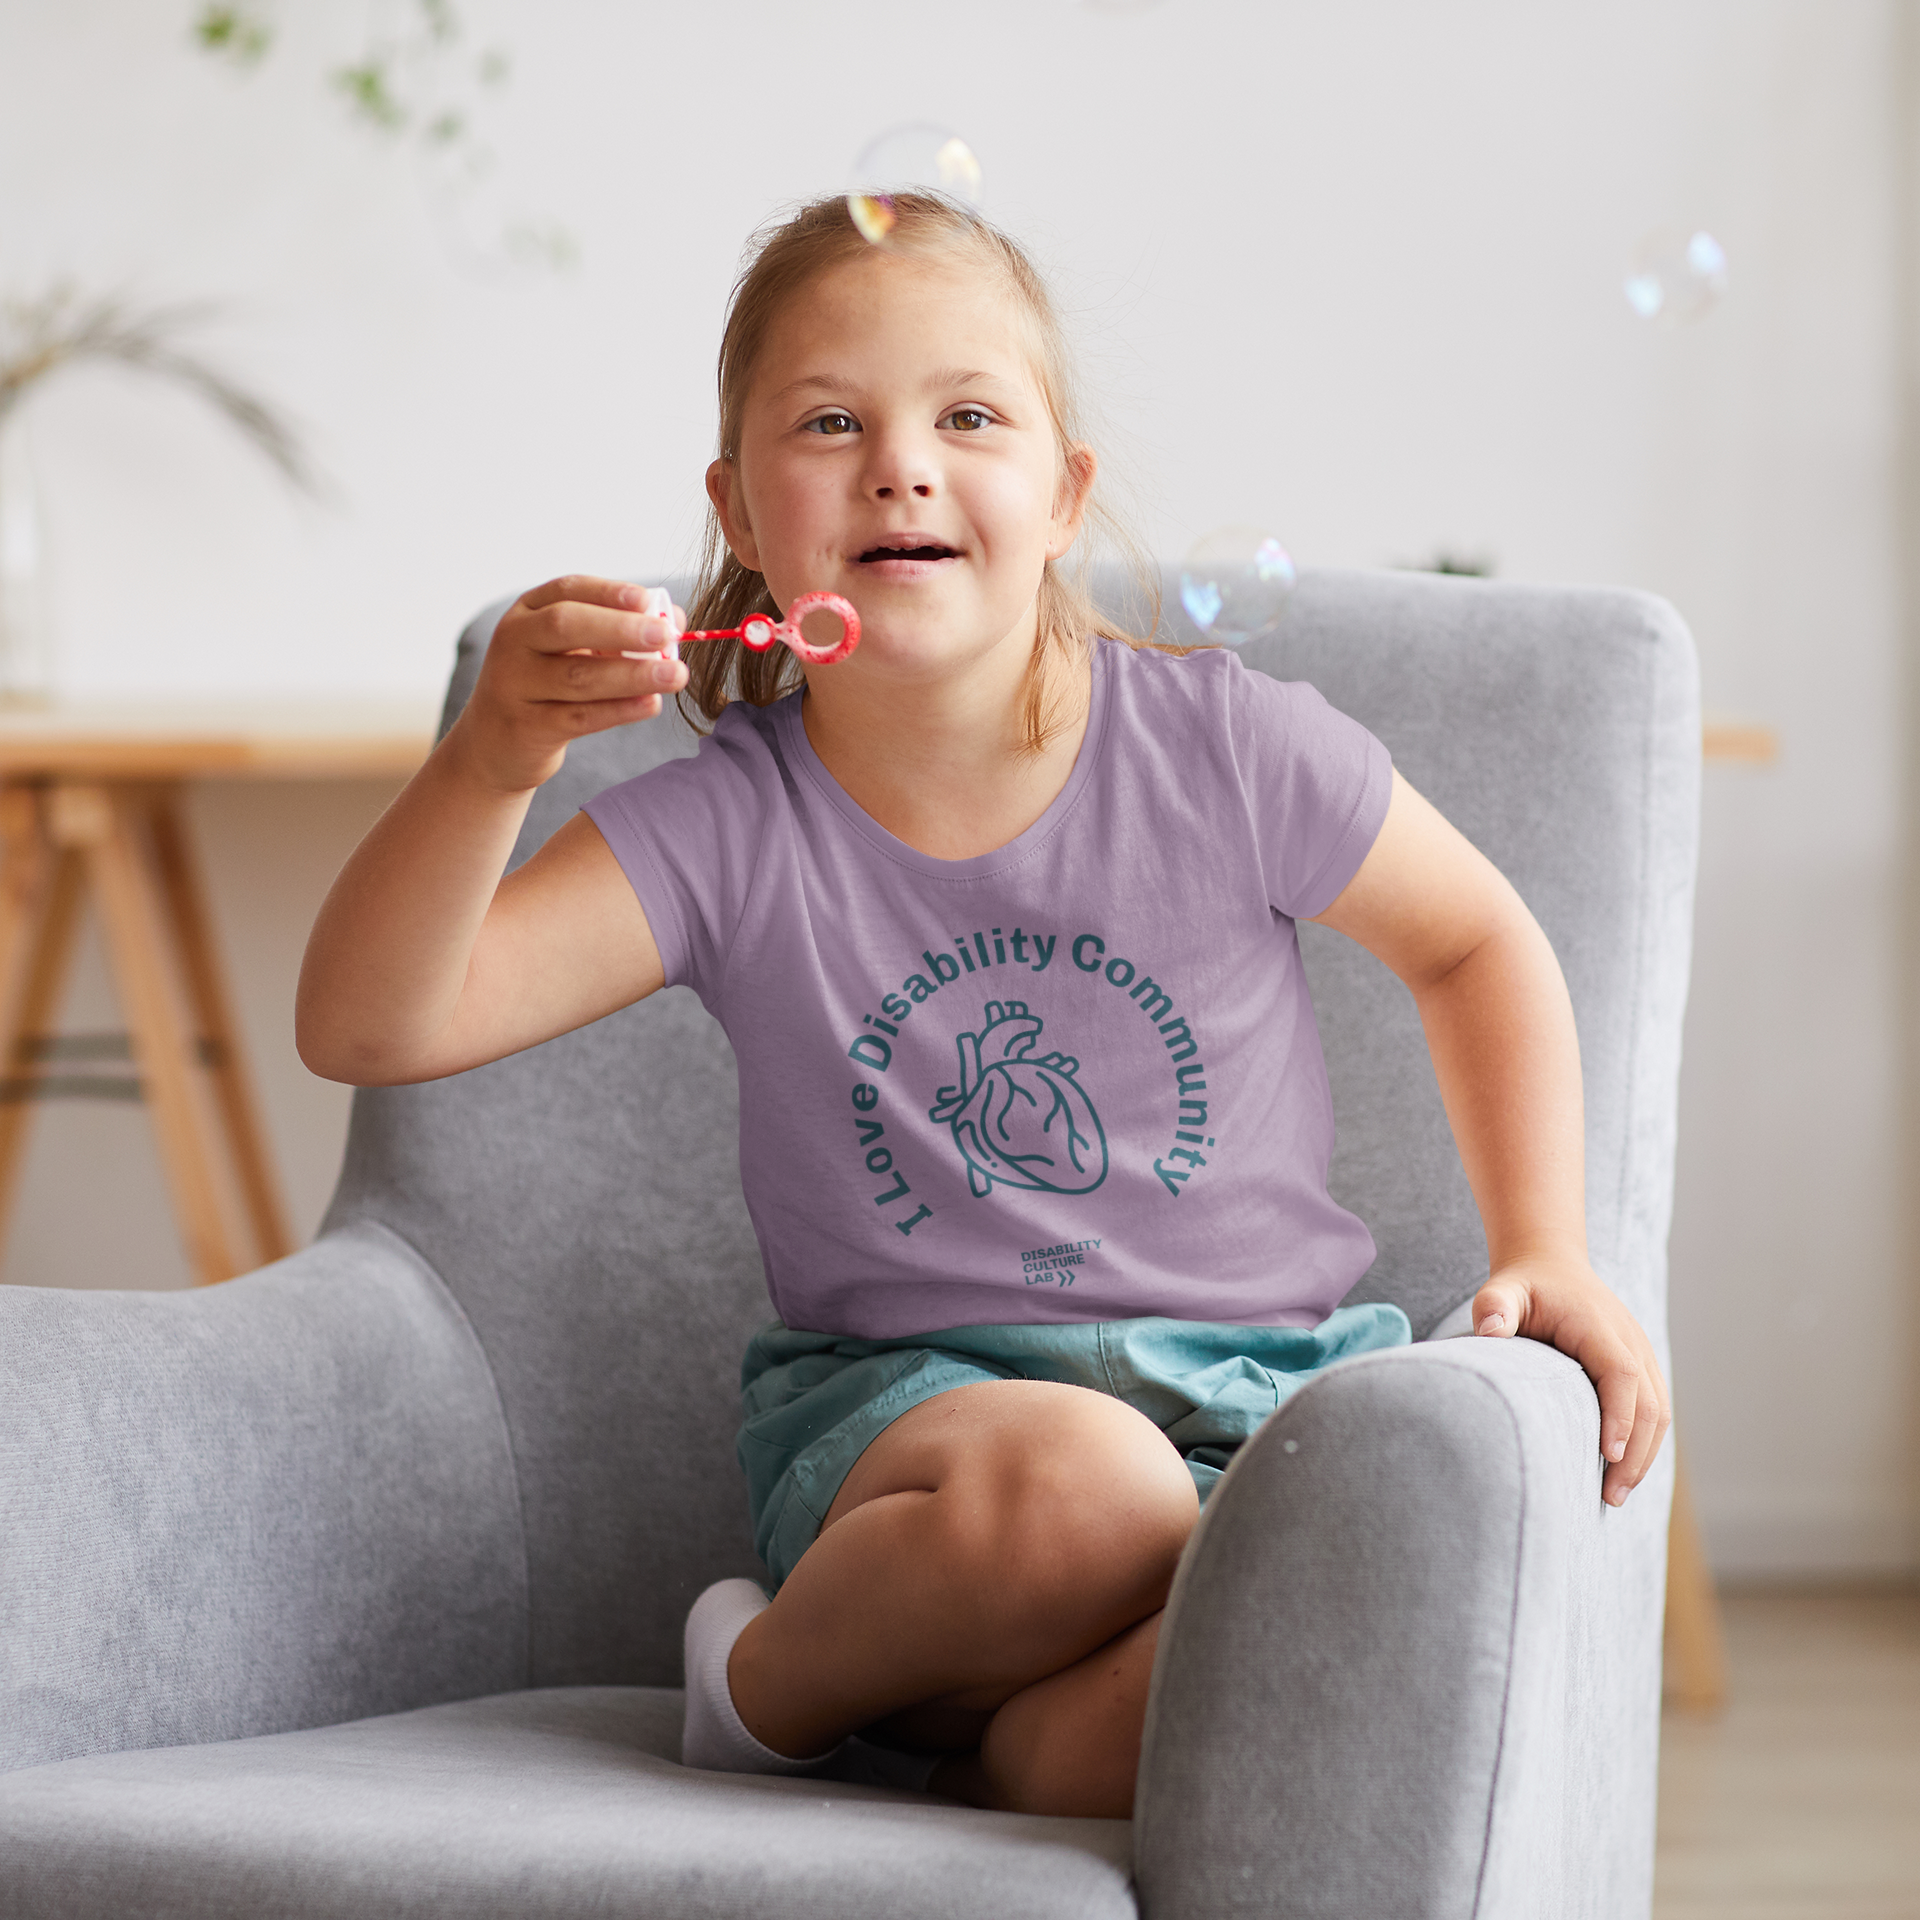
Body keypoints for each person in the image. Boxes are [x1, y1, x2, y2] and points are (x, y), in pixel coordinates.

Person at [297, 193, 1671, 1821]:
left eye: (968, 416)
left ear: (1064, 493)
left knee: (1260, 1667)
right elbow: (375, 1025)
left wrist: (1550, 1246)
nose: (901, 462)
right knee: (1092, 1487)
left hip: (1255, 1419)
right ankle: (764, 1689)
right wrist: (491, 764)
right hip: (916, 1451)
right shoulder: (730, 826)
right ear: (740, 512)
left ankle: (988, 1755)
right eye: (830, 421)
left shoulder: (1230, 750)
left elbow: (1479, 944)